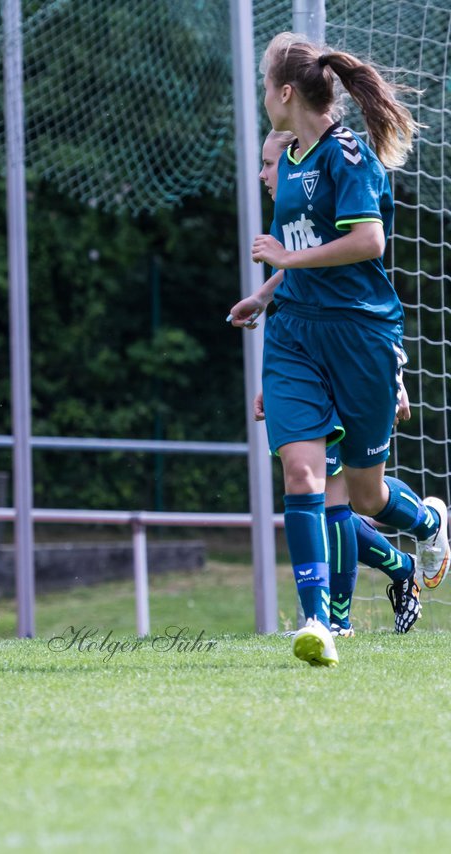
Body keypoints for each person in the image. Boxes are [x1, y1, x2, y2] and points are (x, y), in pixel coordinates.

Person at [227, 34, 444, 667]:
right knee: (303, 475)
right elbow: (301, 251)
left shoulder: (349, 156)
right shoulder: (288, 156)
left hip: (360, 337)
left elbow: (369, 243)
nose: (264, 96)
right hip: (295, 334)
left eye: (266, 86)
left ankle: (429, 526)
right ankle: (319, 621)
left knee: (366, 496)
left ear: (286, 92)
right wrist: (268, 293)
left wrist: (285, 259)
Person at [238, 129, 422, 637]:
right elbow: (300, 271)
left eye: (269, 164)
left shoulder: (336, 169)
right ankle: (333, 618)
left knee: (349, 497)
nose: (264, 175)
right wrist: (264, 300)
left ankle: (420, 534)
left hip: (351, 353)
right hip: (307, 350)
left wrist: (395, 375)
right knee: (324, 493)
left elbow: (356, 282)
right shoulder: (293, 210)